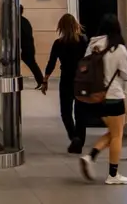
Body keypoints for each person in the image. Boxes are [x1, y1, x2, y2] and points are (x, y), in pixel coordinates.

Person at [78, 14, 127, 185]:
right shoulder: (118, 49)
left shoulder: (93, 45)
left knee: (112, 132)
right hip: (114, 97)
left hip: (96, 97)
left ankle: (91, 156)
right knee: (117, 135)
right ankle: (113, 175)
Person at [40, 14, 88, 151]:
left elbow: (51, 63)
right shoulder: (84, 41)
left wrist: (45, 80)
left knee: (65, 112)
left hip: (66, 79)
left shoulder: (59, 43)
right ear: (76, 25)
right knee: (80, 112)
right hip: (81, 80)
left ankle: (74, 138)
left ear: (61, 27)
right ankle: (79, 142)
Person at [20, 5, 43, 88]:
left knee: (32, 64)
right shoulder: (25, 21)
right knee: (33, 64)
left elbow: (21, 36)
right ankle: (41, 81)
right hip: (28, 47)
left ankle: (41, 82)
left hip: (25, 48)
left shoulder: (18, 21)